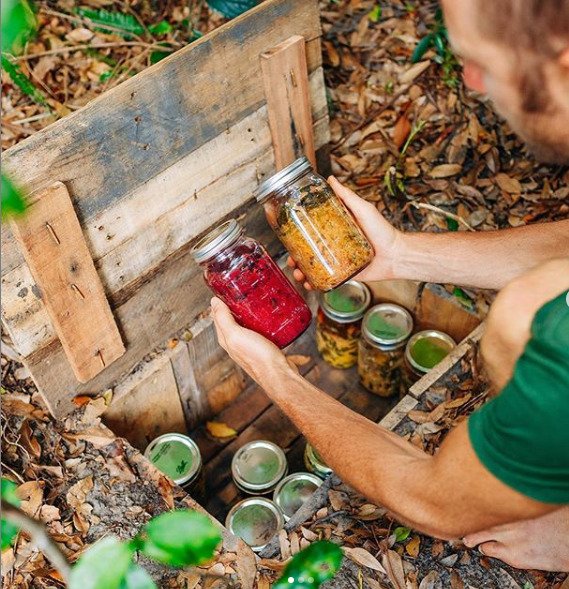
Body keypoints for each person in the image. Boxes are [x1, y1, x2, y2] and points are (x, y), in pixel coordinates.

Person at [211, 0, 569, 572]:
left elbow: (434, 501)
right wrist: (401, 252)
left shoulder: (562, 354)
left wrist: (274, 375)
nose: (469, 81)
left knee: (517, 322)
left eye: (476, 61)